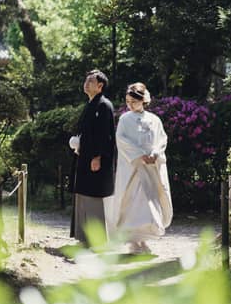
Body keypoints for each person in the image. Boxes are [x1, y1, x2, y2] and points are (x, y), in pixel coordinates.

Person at [105, 82, 173, 254]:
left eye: (133, 101)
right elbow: (121, 140)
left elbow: (161, 139)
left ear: (143, 100)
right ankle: (133, 240)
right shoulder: (124, 119)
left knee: (149, 204)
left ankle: (143, 239)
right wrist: (139, 154)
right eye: (127, 101)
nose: (130, 105)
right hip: (133, 168)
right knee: (132, 204)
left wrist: (155, 153)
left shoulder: (154, 120)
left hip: (151, 168)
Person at [69, 69, 116, 245]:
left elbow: (105, 135)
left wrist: (98, 156)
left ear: (100, 86)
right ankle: (84, 237)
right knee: (82, 194)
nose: (86, 83)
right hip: (83, 156)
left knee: (94, 197)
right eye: (86, 80)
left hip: (95, 159)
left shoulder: (104, 105)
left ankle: (97, 239)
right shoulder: (90, 104)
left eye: (90, 81)